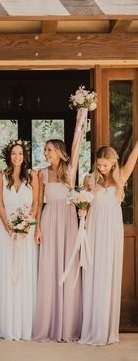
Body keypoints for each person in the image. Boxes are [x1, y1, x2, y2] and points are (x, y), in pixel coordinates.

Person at [33, 111, 87, 342]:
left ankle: (68, 324)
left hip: (67, 219)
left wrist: (81, 116)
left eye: (49, 150)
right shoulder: (41, 173)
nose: (46, 153)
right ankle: (49, 321)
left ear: (59, 152)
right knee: (49, 266)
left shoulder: (70, 170)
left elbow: (77, 144)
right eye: (45, 150)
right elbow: (37, 203)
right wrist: (36, 227)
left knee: (67, 263)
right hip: (48, 218)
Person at [78, 143, 138, 346]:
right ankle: (92, 327)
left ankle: (106, 328)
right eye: (99, 165)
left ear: (113, 164)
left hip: (112, 231)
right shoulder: (90, 179)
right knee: (93, 273)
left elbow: (134, 154)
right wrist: (82, 210)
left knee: (108, 274)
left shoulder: (121, 176)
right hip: (94, 229)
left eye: (105, 165)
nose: (101, 169)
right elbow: (83, 203)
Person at [0, 140, 38, 340]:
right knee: (8, 273)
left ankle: (25, 325)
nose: (17, 157)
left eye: (20, 153)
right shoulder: (0, 177)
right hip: (6, 230)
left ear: (25, 156)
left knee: (24, 273)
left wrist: (26, 225)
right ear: (9, 156)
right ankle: (7, 326)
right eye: (13, 153)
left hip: (26, 231)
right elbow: (0, 205)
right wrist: (8, 227)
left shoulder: (33, 176)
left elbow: (36, 203)